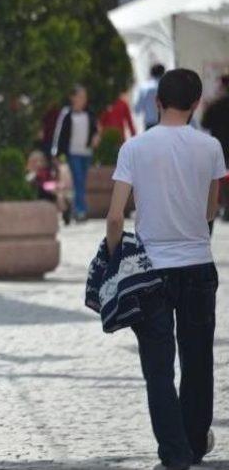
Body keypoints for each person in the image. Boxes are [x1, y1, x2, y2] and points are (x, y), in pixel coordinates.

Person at [106, 69, 224, 470]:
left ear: (157, 102)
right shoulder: (210, 148)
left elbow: (114, 217)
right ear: (196, 104)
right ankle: (194, 442)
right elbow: (211, 209)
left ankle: (174, 455)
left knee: (158, 367)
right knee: (197, 361)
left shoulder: (134, 149)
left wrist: (111, 257)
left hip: (150, 270)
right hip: (197, 264)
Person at [52, 85, 98, 222]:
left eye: (84, 97)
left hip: (86, 153)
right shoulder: (67, 114)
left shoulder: (89, 113)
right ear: (73, 98)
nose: (83, 99)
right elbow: (60, 134)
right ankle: (80, 211)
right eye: (80, 96)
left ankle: (75, 208)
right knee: (78, 180)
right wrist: (56, 153)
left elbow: (95, 130)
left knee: (81, 182)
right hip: (73, 153)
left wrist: (95, 138)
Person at [202, 74, 229, 221]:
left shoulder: (215, 105)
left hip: (220, 145)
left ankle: (224, 207)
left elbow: (205, 124)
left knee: (220, 178)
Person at [135, 63, 165, 131]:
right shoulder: (168, 87)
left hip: (150, 124)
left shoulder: (144, 88)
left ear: (151, 73)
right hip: (165, 123)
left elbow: (137, 109)